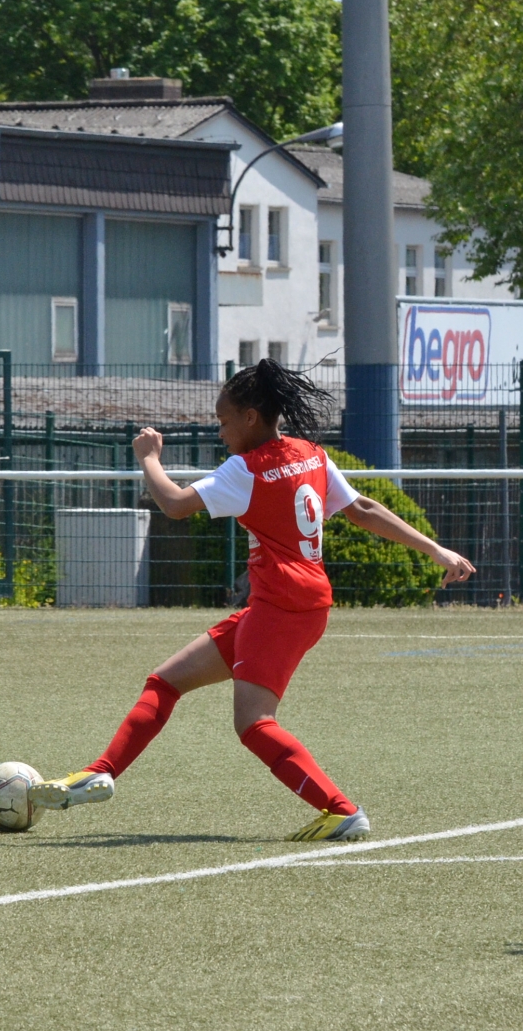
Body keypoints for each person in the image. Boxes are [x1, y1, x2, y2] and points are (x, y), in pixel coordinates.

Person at [27, 360, 476, 841]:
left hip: (280, 607)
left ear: (250, 417)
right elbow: (362, 509)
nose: (220, 432)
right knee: (165, 681)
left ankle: (341, 810)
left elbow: (174, 504)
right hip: (296, 604)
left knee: (254, 722)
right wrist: (435, 549)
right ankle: (101, 771)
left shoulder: (247, 469)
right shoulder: (311, 454)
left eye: (223, 422)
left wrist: (149, 458)